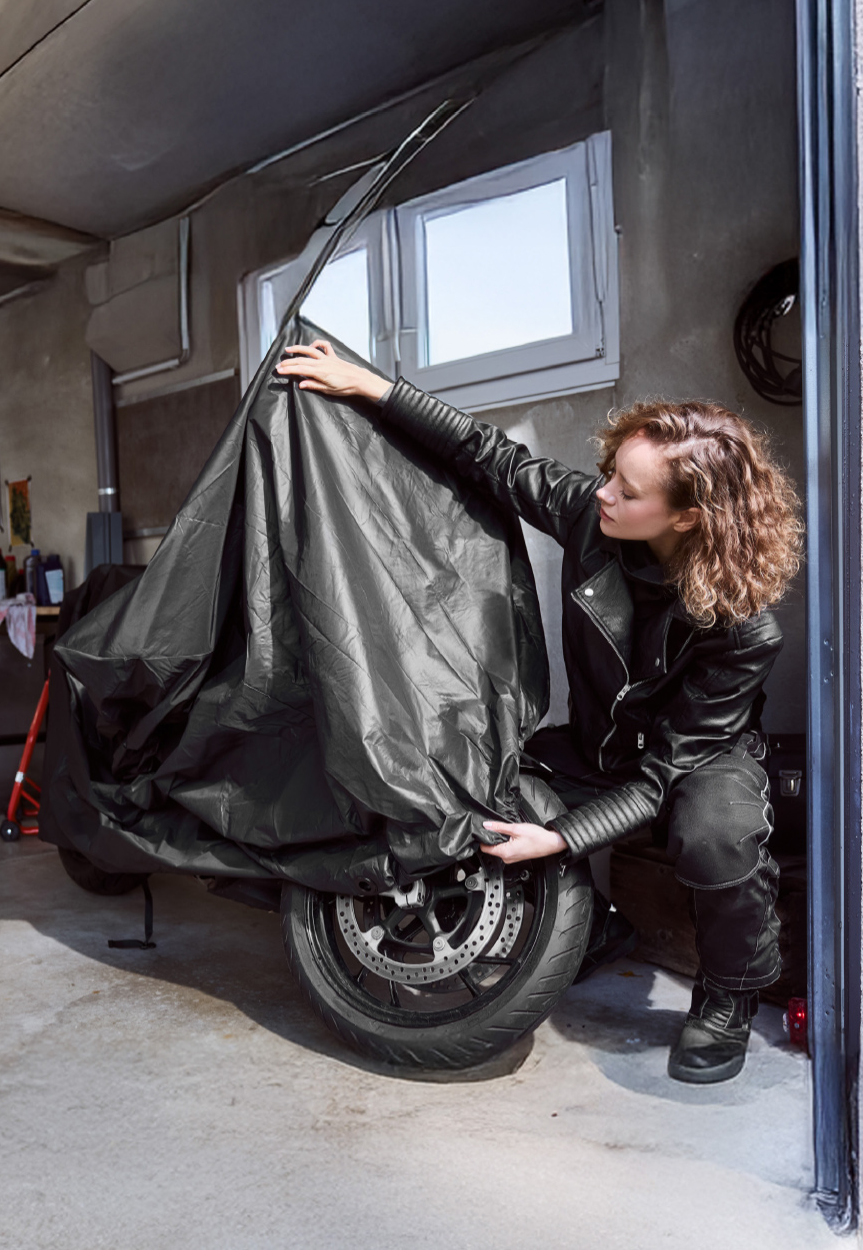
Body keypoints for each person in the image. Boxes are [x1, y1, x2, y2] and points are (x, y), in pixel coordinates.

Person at [275, 339, 803, 1084]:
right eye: (610, 474)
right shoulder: (592, 517)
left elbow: (662, 779)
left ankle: (730, 994)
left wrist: (558, 840)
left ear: (688, 517)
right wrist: (370, 388)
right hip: (596, 747)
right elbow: (489, 455)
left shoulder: (746, 631)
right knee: (462, 769)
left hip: (699, 762)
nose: (605, 494)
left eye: (628, 491)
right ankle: (601, 929)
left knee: (714, 836)